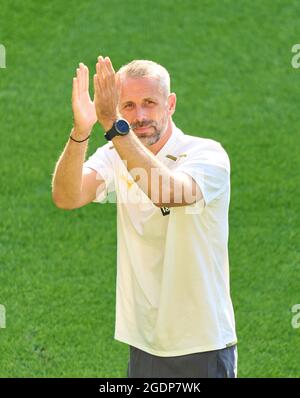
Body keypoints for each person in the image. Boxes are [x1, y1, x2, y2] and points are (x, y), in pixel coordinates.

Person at [51, 56, 238, 378]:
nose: (139, 116)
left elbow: (168, 193)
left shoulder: (206, 154)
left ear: (171, 104)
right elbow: (67, 197)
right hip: (144, 341)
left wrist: (113, 125)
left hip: (202, 342)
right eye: (128, 106)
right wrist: (81, 131)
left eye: (149, 103)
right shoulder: (115, 153)